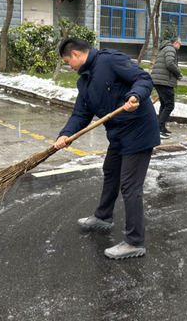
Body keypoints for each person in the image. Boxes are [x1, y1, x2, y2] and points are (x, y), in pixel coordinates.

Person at [54, 38, 160, 259]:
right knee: (111, 171)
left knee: (130, 185)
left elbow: (142, 78)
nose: (69, 66)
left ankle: (135, 242)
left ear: (75, 54)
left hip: (138, 129)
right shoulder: (84, 82)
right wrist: (66, 134)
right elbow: (81, 114)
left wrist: (135, 96)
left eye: (67, 61)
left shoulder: (110, 60)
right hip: (118, 133)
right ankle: (103, 216)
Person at [150, 35, 183, 138]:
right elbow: (170, 63)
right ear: (176, 43)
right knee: (169, 105)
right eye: (180, 44)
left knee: (164, 104)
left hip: (159, 80)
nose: (180, 46)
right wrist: (179, 73)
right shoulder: (171, 49)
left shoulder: (165, 48)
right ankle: (159, 130)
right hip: (164, 81)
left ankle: (161, 128)